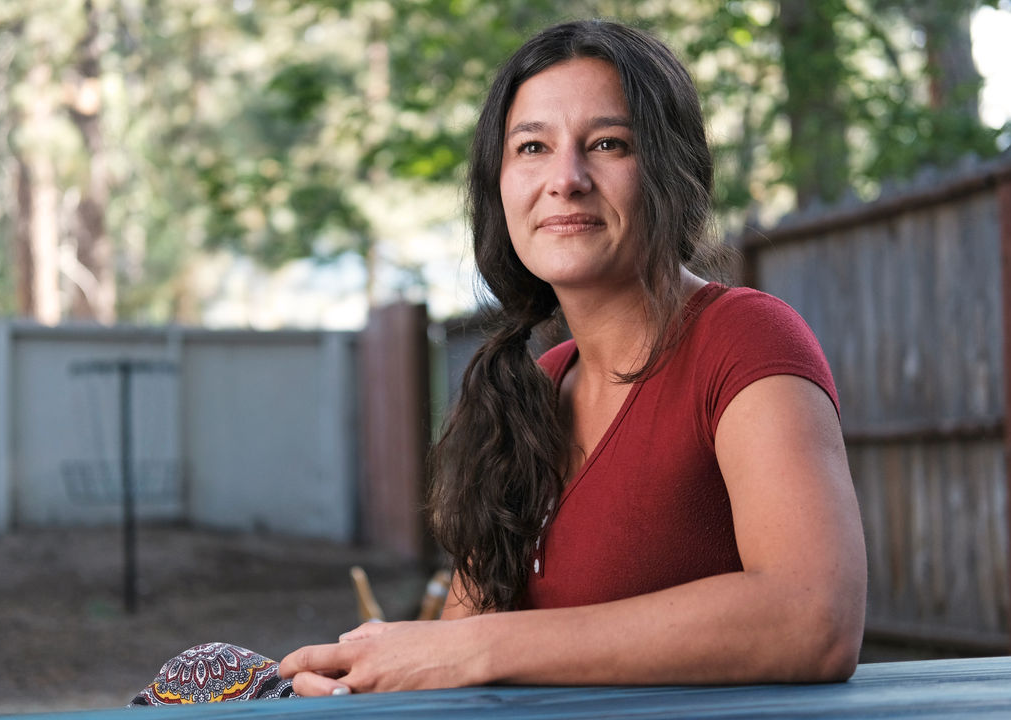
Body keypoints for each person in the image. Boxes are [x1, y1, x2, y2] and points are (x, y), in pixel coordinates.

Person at [132, 19, 865, 705]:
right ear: (500, 185)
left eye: (608, 143)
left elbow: (814, 618)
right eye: (532, 148)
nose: (566, 178)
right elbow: (457, 651)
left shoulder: (744, 341)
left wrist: (478, 648)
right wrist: (363, 675)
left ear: (671, 170)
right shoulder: (532, 391)